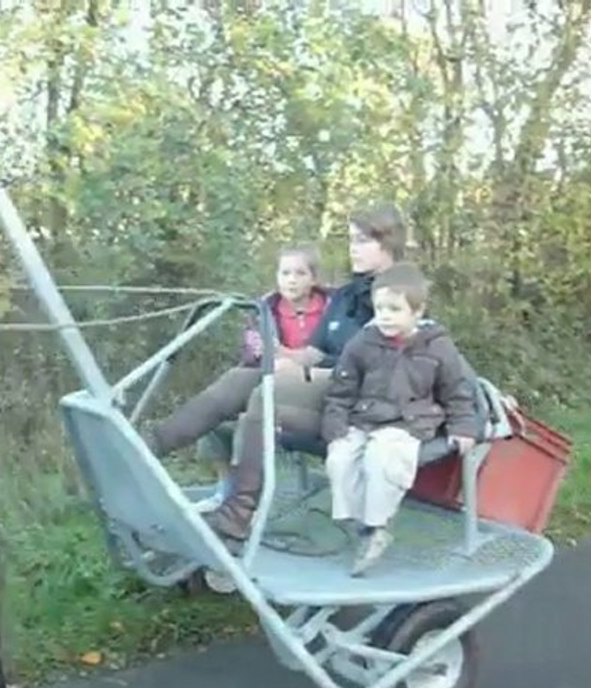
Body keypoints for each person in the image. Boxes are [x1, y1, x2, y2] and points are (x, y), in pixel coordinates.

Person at [199, 202, 406, 543]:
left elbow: (429, 344)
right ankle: (223, 496)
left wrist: (475, 392)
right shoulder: (343, 297)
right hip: (323, 391)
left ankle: (239, 512)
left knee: (265, 399)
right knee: (235, 394)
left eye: (361, 240)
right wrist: (281, 358)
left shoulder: (396, 296)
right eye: (350, 240)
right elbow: (312, 351)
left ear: (387, 242)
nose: (352, 247)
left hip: (362, 406)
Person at [322, 262, 478, 576]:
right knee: (340, 458)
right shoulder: (363, 343)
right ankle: (360, 524)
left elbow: (456, 389)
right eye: (380, 308)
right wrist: (335, 423)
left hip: (409, 421)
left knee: (383, 459)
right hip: (365, 417)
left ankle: (378, 525)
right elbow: (341, 388)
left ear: (417, 312)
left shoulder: (437, 346)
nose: (385, 316)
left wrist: (463, 426)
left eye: (394, 309)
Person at [144, 245, 330, 484]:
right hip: (269, 375)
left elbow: (328, 352)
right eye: (285, 273)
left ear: (313, 278)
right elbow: (253, 350)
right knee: (222, 404)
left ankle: (241, 498)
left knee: (247, 400)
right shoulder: (263, 310)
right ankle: (156, 445)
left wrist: (286, 355)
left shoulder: (331, 310)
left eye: (299, 274)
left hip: (309, 386)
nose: (291, 280)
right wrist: (265, 354)